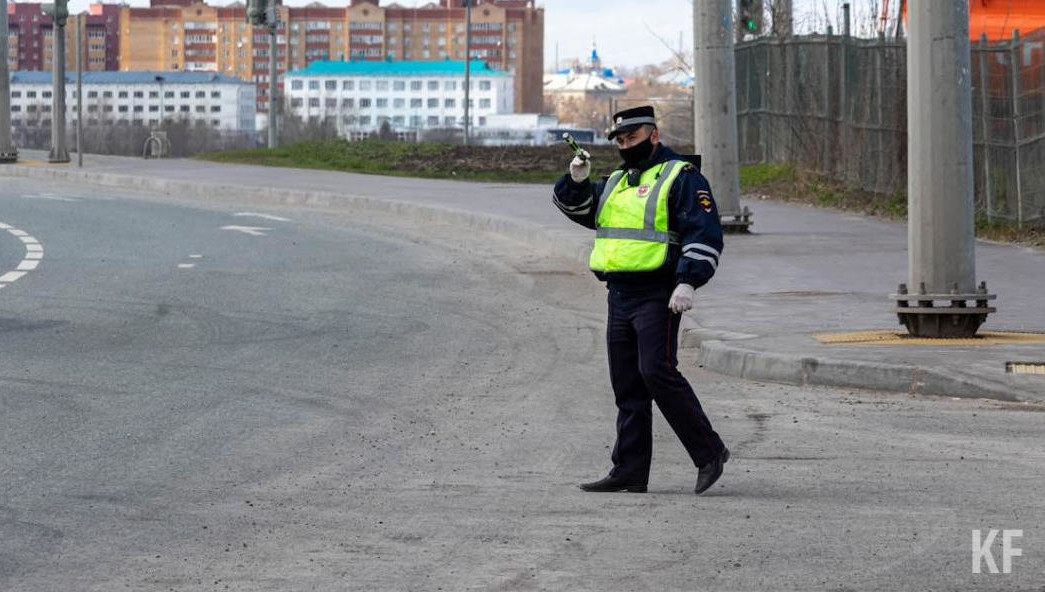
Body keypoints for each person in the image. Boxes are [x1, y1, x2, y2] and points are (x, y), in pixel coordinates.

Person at [552, 105, 729, 495]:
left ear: (653, 135)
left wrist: (688, 282)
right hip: (620, 293)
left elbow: (704, 233)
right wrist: (575, 181)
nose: (626, 146)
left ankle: (710, 452)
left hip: (659, 293)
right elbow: (585, 211)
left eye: (632, 138)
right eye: (620, 140)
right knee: (627, 384)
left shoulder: (681, 176)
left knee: (657, 372)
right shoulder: (617, 180)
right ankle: (629, 470)